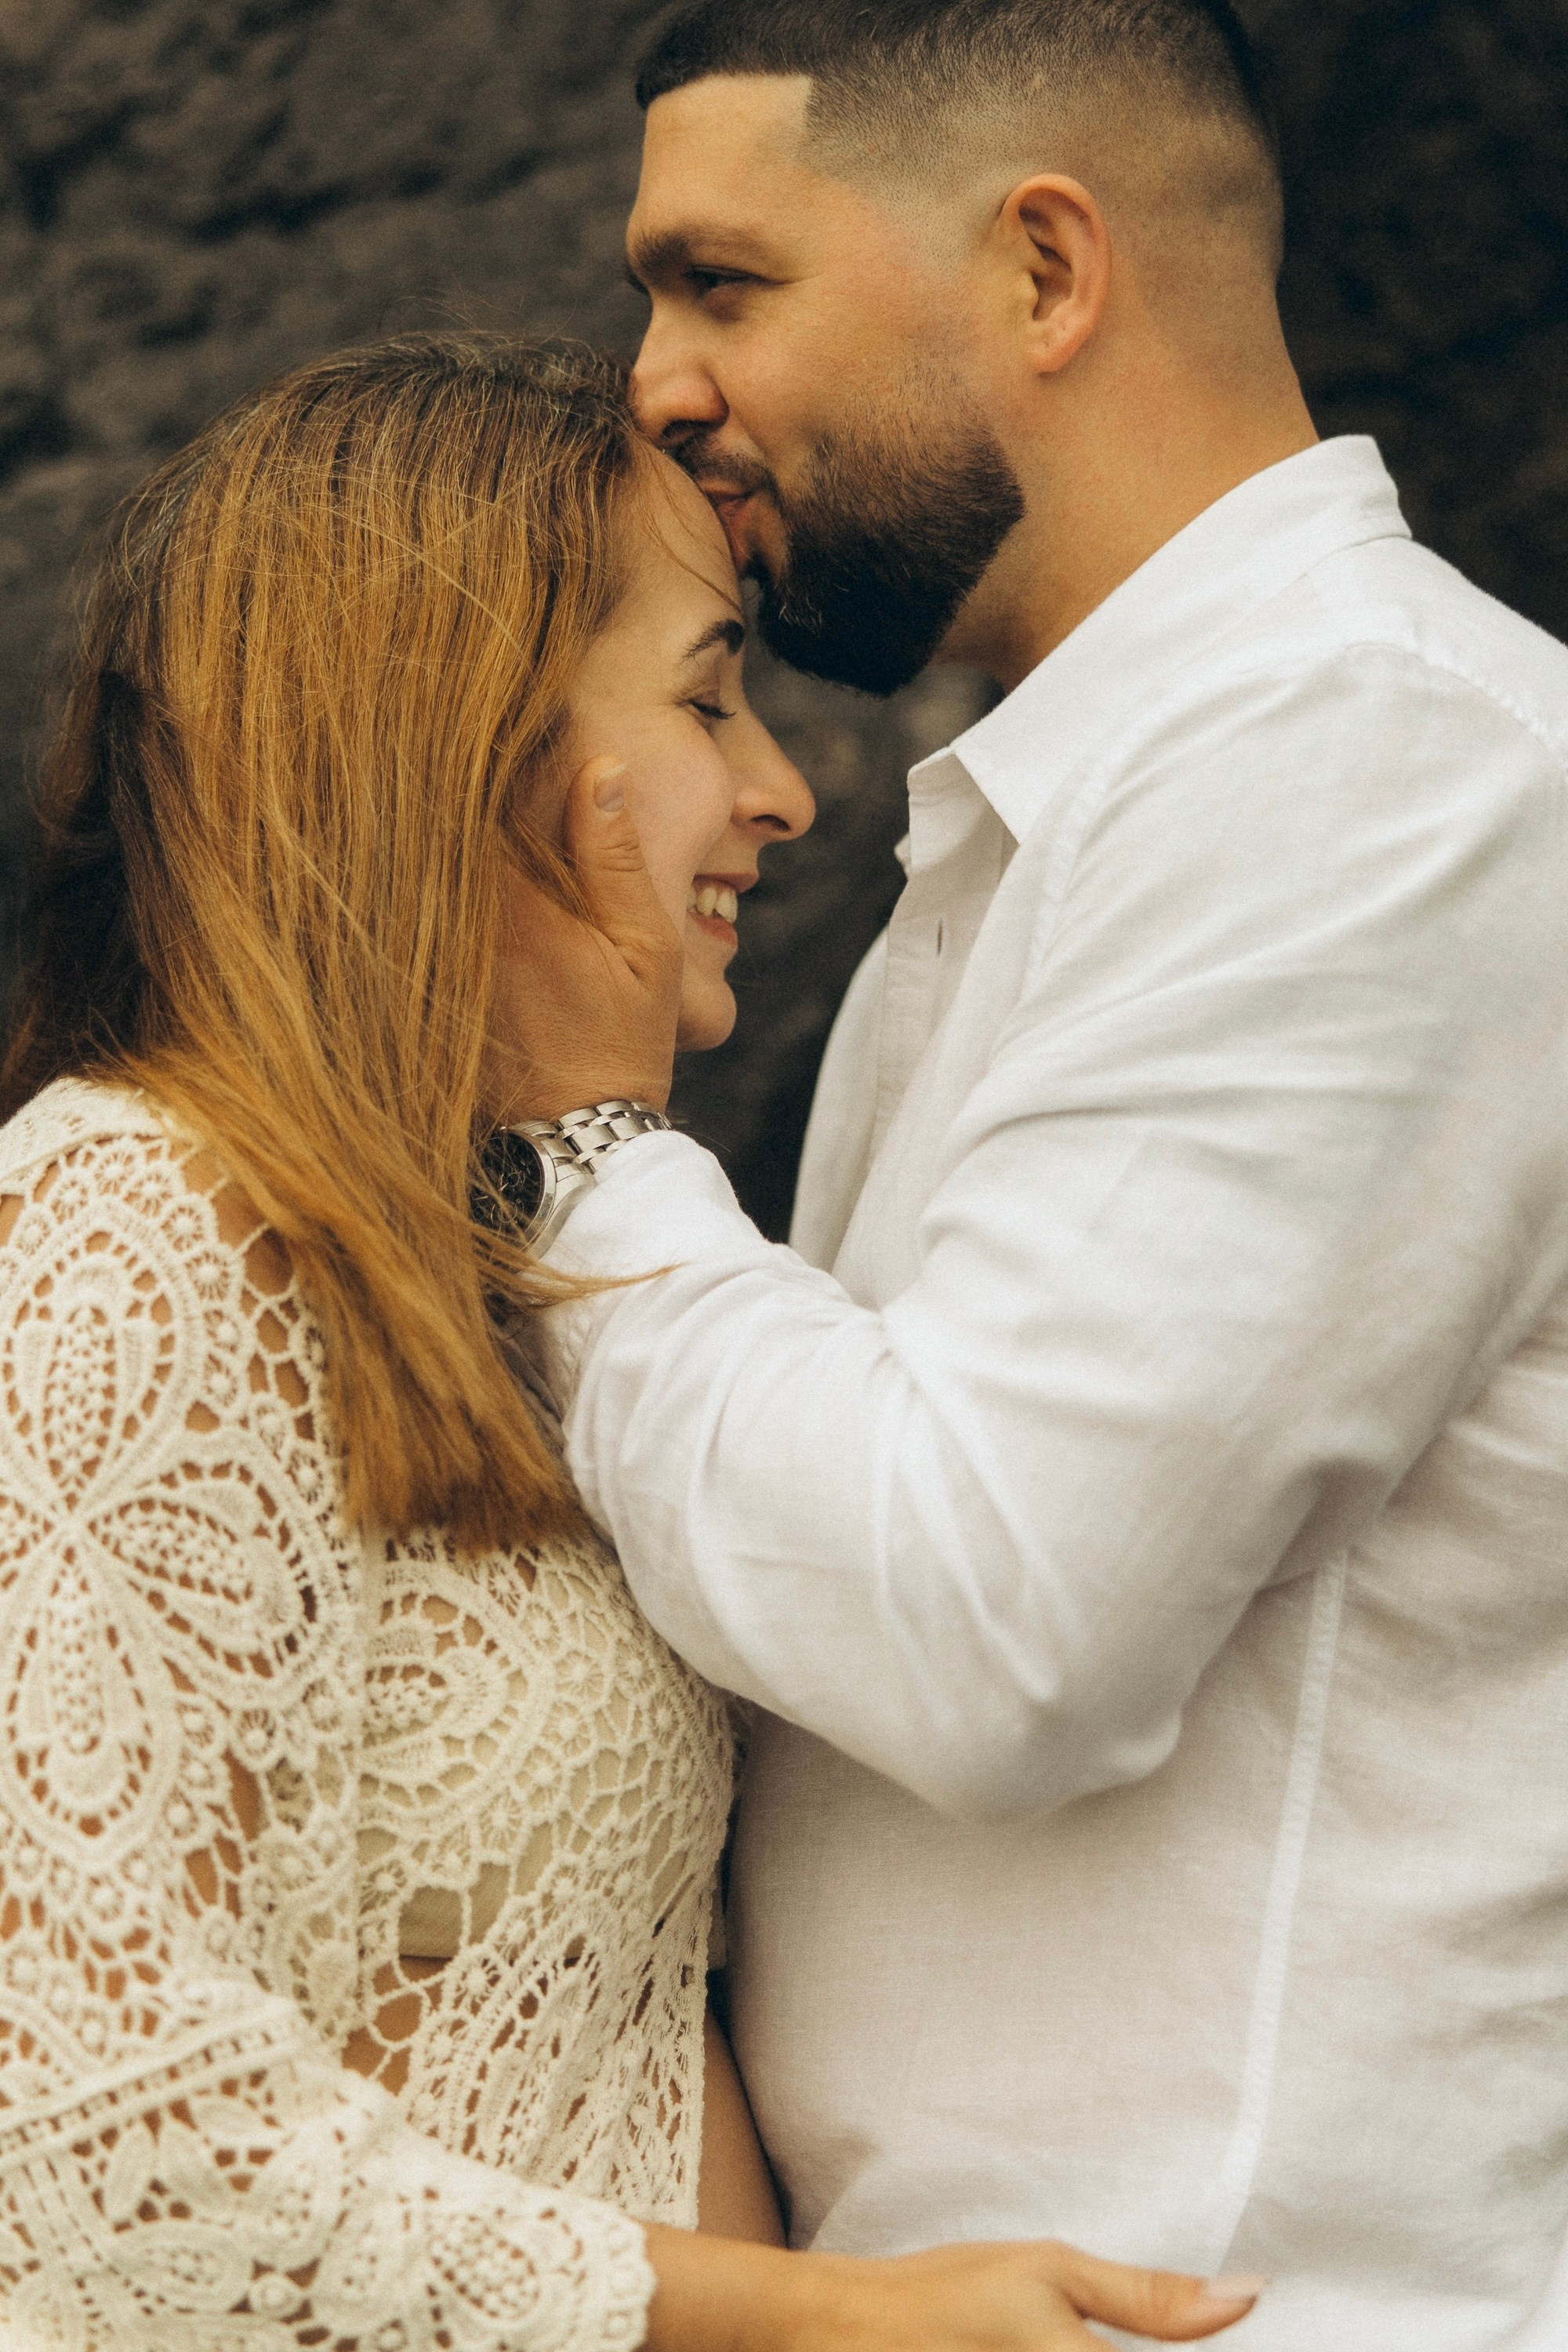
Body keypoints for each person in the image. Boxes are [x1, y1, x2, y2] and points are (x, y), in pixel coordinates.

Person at [0, 333, 1270, 2352]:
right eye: (701, 697)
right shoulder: (130, 1225)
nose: (779, 791)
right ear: (458, 743)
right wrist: (832, 2320)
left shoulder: (494, 1287)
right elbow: (95, 2152)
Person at [487, 5, 1568, 2349]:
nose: (654, 382)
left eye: (723, 285)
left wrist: (570, 1142)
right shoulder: (1072, 820)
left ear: (1048, 273)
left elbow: (988, 1623)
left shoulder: (1368, 774)